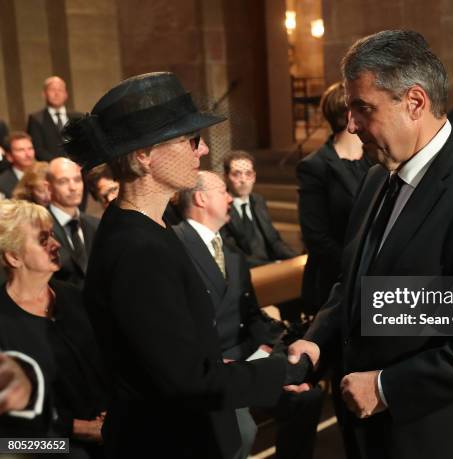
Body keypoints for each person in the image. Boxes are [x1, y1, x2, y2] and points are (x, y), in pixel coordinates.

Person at [286, 30, 453, 459]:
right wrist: (318, 339)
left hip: (445, 437)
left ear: (415, 102)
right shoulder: (375, 178)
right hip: (374, 434)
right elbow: (355, 282)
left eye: (363, 108)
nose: (350, 125)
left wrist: (386, 387)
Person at [63, 71, 309, 459]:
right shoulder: (137, 247)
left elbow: (170, 355)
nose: (203, 151)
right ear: (144, 155)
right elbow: (187, 382)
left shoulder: (148, 228)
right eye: (190, 140)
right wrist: (282, 371)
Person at [174, 171, 323, 459]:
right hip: (211, 369)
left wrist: (276, 347)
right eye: (222, 191)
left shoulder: (231, 255)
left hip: (248, 355)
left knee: (307, 396)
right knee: (241, 431)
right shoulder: (175, 245)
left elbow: (250, 315)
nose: (230, 197)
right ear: (201, 197)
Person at [0, 199, 108, 454]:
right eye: (43, 239)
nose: (56, 244)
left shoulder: (74, 297)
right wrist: (77, 431)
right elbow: (6, 440)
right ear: (13, 257)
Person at [297, 82, 372, 316]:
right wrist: (357, 267)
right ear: (350, 114)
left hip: (377, 280)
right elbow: (316, 237)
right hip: (336, 282)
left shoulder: (377, 158)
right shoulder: (315, 166)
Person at [221, 150, 297, 268]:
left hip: (270, 266)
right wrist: (271, 266)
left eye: (248, 174)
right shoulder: (220, 206)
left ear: (254, 177)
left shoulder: (258, 201)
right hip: (245, 272)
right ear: (226, 177)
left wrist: (296, 258)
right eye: (236, 174)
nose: (243, 180)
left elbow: (274, 241)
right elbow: (233, 255)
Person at [47, 157, 98, 288]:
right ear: (49, 187)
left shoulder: (95, 224)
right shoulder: (40, 228)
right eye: (63, 181)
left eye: (77, 179)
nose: (73, 187)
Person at [26, 76, 83, 161]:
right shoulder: (36, 119)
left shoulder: (78, 117)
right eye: (52, 90)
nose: (56, 93)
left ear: (66, 94)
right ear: (44, 94)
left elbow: (83, 142)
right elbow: (37, 149)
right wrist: (58, 164)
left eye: (60, 90)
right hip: (50, 167)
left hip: (78, 165)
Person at [0, 132, 36, 199]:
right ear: (9, 156)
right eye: (21, 150)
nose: (28, 154)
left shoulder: (45, 174)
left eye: (30, 148)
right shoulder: (2, 184)